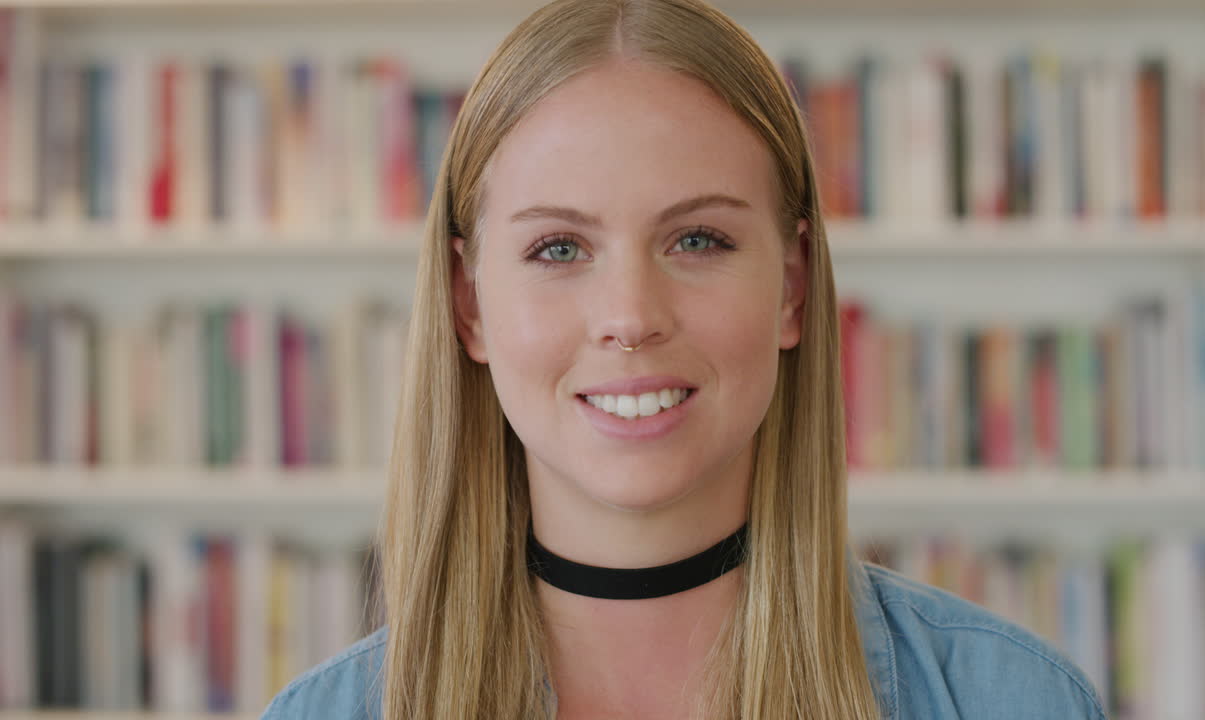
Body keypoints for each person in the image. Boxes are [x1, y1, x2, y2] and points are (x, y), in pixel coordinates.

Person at [262, 0, 1106, 718]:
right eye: (559, 248)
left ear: (792, 288)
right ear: (468, 303)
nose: (631, 318)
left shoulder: (1016, 701)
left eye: (697, 239)